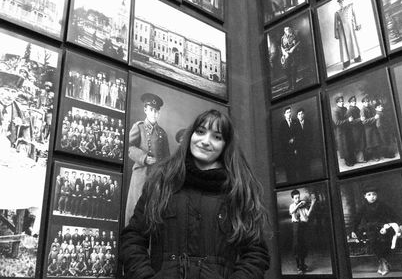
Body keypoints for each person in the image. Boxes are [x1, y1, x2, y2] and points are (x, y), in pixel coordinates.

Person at [120, 109, 270, 279]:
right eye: (200, 132)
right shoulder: (162, 182)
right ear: (191, 135)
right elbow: (133, 238)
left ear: (225, 145)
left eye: (217, 137)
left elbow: (256, 253)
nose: (205, 141)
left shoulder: (239, 190)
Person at [124, 93, 170, 224]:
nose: (154, 113)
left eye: (156, 111)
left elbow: (166, 157)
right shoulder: (139, 127)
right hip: (141, 175)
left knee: (154, 208)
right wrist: (144, 158)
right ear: (145, 110)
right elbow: (129, 147)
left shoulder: (162, 133)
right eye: (151, 110)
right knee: (137, 207)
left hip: (157, 176)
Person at [351, 185, 402, 276]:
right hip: (369, 228)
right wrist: (353, 230)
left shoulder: (382, 205)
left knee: (383, 237)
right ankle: (383, 262)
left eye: (374, 194)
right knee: (373, 238)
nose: (372, 197)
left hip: (383, 226)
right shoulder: (363, 207)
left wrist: (401, 225)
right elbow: (356, 220)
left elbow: (394, 215)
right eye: (369, 194)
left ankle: (382, 263)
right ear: (365, 196)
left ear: (377, 195)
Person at [289, 189, 316, 274]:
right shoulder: (292, 206)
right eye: (296, 198)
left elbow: (307, 215)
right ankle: (298, 266)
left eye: (298, 197)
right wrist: (298, 205)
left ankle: (303, 264)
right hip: (296, 226)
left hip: (303, 226)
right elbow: (291, 212)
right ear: (293, 199)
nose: (298, 199)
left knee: (303, 245)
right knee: (296, 245)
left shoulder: (303, 206)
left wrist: (312, 204)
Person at [334, 0, 362, 70]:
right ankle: (346, 62)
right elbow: (336, 24)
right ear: (339, 4)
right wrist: (336, 33)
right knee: (344, 45)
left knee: (354, 42)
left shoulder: (351, 6)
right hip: (342, 30)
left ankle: (357, 57)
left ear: (345, 0)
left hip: (351, 28)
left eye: (342, 1)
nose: (342, 3)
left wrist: (357, 24)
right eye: (340, 2)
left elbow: (355, 15)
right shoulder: (337, 12)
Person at [278, 106, 299, 183]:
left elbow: (298, 133)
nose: (289, 114)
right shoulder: (282, 124)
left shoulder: (295, 121)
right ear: (284, 114)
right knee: (289, 168)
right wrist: (288, 141)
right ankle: (290, 181)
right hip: (286, 150)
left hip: (295, 148)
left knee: (296, 167)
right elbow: (281, 137)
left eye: (290, 112)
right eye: (287, 112)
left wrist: (294, 140)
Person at [280, 26, 299, 91]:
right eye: (286, 29)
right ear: (284, 31)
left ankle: (294, 84)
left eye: (288, 29)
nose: (287, 30)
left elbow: (298, 42)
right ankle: (290, 84)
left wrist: (293, 49)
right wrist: (284, 53)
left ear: (290, 29)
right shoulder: (282, 38)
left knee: (293, 69)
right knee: (286, 70)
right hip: (286, 55)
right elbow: (282, 46)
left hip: (294, 55)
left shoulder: (294, 36)